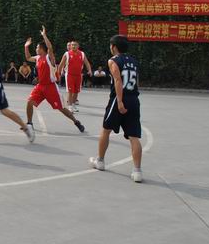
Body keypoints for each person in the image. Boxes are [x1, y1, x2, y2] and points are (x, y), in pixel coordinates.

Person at [89, 35, 144, 183]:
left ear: (114, 47)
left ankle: (100, 161)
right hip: (134, 99)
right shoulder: (134, 61)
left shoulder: (113, 60)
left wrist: (119, 101)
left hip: (119, 99)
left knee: (106, 129)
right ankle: (137, 171)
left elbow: (118, 80)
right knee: (134, 136)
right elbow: (137, 81)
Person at [24, 26, 85, 142]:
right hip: (40, 86)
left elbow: (50, 47)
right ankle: (29, 123)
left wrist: (44, 35)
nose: (36, 49)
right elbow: (27, 58)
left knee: (61, 108)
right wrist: (26, 46)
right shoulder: (37, 58)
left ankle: (76, 122)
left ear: (42, 49)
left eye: (37, 47)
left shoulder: (49, 57)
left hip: (51, 87)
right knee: (29, 102)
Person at [57, 40, 92, 112]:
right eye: (72, 45)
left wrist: (89, 70)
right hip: (69, 75)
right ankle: (69, 106)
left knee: (76, 91)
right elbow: (61, 64)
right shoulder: (67, 54)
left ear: (78, 46)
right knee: (70, 91)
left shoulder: (82, 54)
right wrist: (58, 73)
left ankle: (73, 105)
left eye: (75, 45)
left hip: (78, 75)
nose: (73, 46)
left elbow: (87, 63)